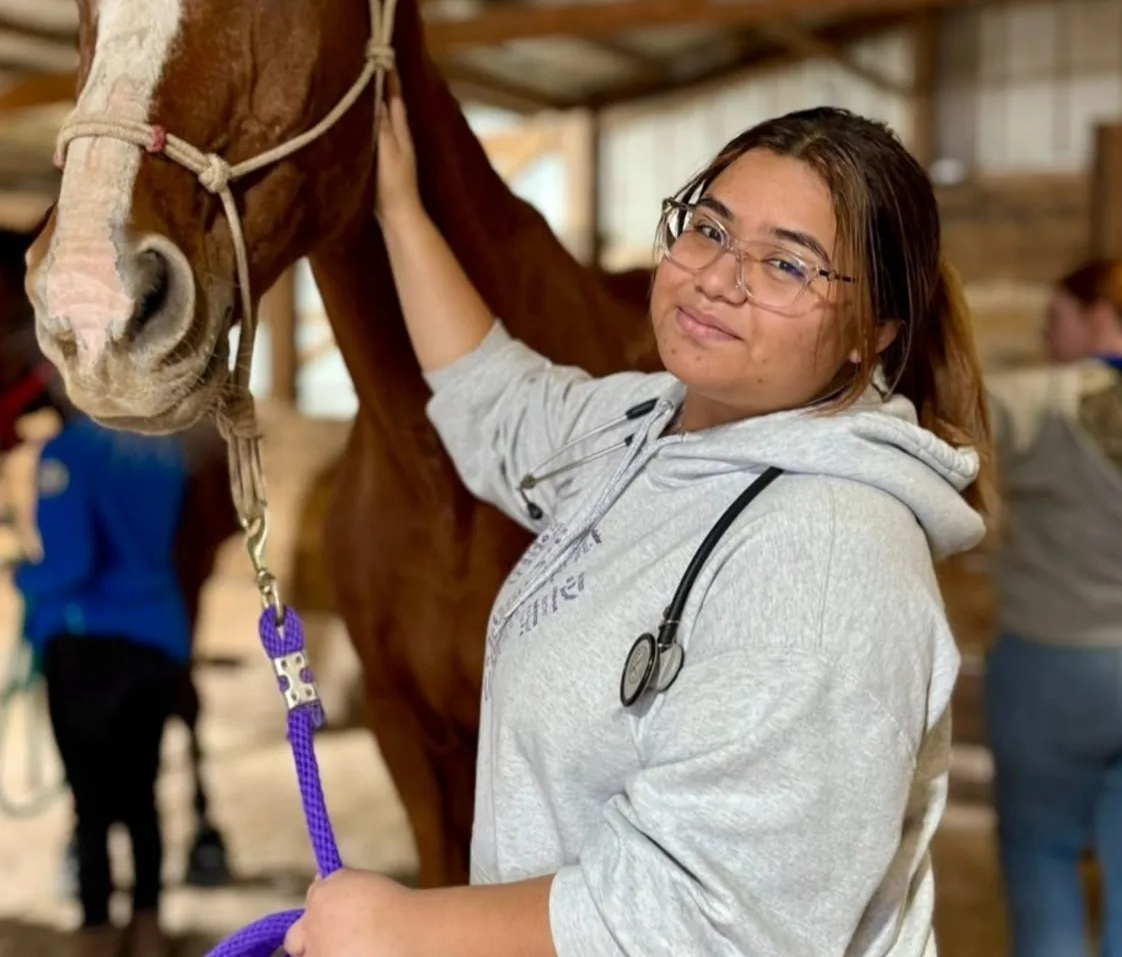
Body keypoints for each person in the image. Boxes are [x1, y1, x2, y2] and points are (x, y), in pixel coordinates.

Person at [285, 100, 993, 957]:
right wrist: (399, 209)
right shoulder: (646, 427)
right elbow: (500, 400)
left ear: (872, 334)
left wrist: (403, 928)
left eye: (787, 266)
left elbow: (709, 922)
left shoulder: (830, 556)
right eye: (709, 230)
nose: (719, 278)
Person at [16, 415, 191, 957]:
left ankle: (96, 929)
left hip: (86, 643)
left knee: (90, 804)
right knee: (142, 796)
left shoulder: (68, 454)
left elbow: (72, 563)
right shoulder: (167, 454)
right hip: (158, 637)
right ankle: (148, 925)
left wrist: (22, 576)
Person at [986, 259, 1122, 957]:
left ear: (1099, 313)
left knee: (1042, 854)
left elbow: (945, 429)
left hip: (1054, 666)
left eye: (1056, 321)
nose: (1047, 339)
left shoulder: (1036, 399)